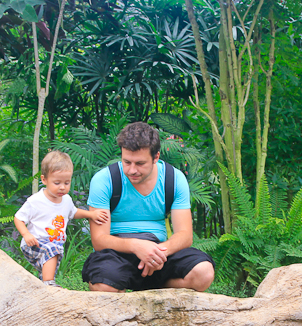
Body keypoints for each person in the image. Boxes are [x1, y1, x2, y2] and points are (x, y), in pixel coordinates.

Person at [81, 122, 215, 292]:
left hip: (160, 250)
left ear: (156, 157)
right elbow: (99, 240)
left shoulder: (174, 179)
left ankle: (155, 289)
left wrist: (156, 254)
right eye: (126, 162)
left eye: (140, 163)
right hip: (115, 253)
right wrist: (136, 246)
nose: (131, 170)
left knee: (203, 273)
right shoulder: (104, 180)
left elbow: (185, 235)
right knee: (103, 285)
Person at [15, 151, 109, 287]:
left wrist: (91, 215)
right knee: (51, 251)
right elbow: (18, 218)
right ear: (44, 180)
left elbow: (73, 212)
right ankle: (49, 285)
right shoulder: (35, 201)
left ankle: (44, 286)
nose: (62, 187)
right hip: (34, 243)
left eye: (67, 182)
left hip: (54, 244)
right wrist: (26, 234)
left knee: (53, 254)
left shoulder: (66, 200)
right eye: (57, 182)